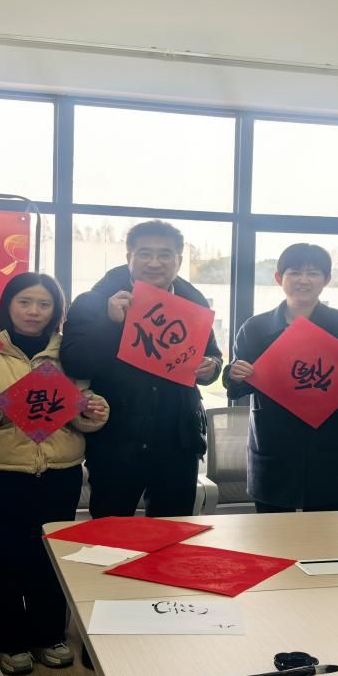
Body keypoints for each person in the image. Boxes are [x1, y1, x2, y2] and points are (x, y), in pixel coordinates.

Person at [0, 273, 109, 674]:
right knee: (5, 558)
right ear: (8, 305)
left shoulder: (69, 352)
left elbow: (84, 400)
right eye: (24, 302)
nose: (34, 311)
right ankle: (9, 640)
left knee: (49, 558)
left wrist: (95, 410)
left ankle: (50, 635)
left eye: (44, 304)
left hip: (60, 470)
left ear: (56, 310)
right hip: (0, 471)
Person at [60, 220, 221, 518]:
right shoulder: (94, 301)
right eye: (145, 253)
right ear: (129, 257)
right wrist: (111, 323)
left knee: (174, 530)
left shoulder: (193, 302)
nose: (154, 263)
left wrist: (211, 366)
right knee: (110, 531)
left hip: (178, 441)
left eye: (165, 255)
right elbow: (74, 362)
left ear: (178, 260)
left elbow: (212, 354)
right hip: (115, 441)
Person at [224, 243, 338, 513]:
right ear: (279, 278)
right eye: (295, 272)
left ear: (326, 279)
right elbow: (237, 389)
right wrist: (234, 374)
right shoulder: (255, 328)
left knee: (328, 534)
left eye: (313, 273)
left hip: (332, 450)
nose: (304, 280)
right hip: (273, 448)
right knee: (272, 534)